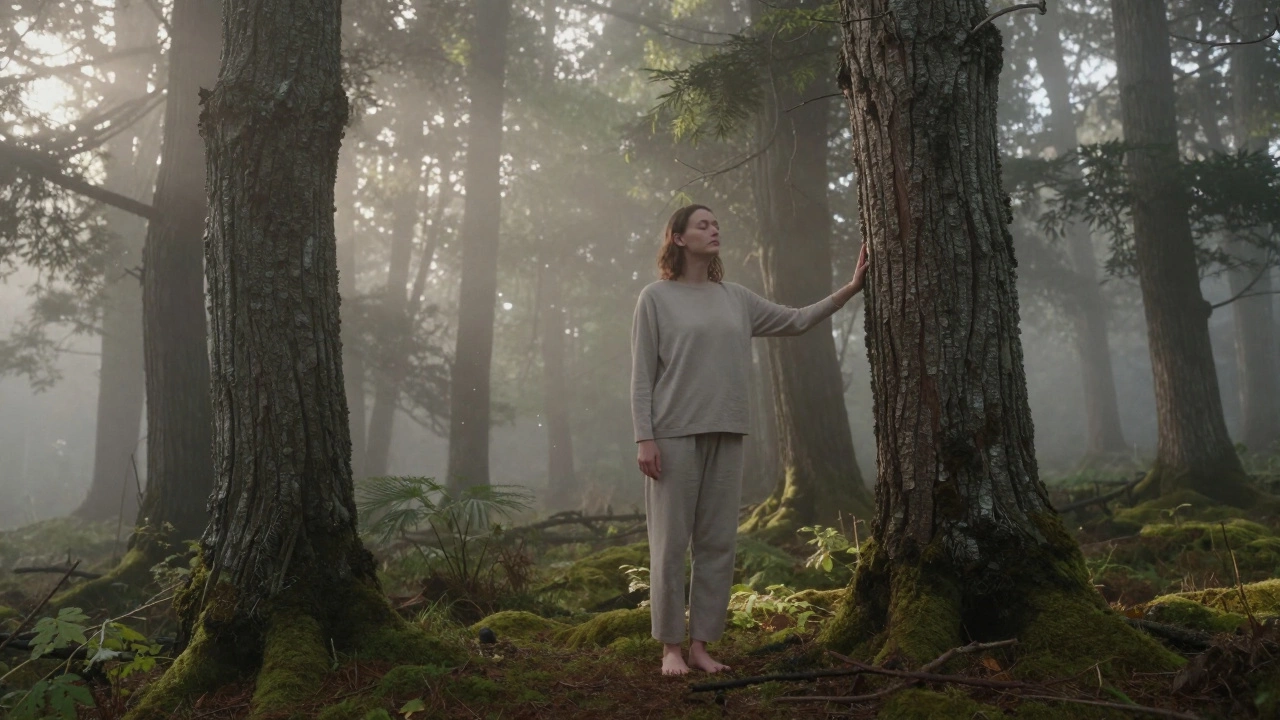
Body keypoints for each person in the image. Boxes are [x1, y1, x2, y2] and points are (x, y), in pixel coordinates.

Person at [631, 204, 869, 676]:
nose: (714, 229)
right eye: (703, 224)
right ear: (678, 238)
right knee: (671, 543)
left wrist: (851, 288)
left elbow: (797, 320)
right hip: (673, 435)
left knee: (718, 543)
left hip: (728, 430)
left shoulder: (735, 298)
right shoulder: (655, 298)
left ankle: (701, 645)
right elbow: (641, 377)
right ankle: (670, 649)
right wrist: (645, 438)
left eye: (717, 224)